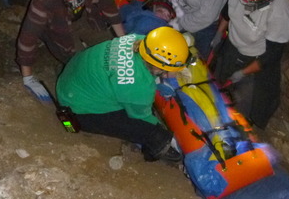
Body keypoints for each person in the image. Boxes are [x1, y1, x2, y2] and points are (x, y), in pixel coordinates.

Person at [56, 26, 191, 161]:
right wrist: (161, 131)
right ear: (160, 67)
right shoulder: (139, 84)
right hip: (77, 109)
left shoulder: (139, 39)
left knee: (135, 103)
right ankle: (156, 147)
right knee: (153, 133)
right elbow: (141, 116)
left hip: (71, 79)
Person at [213, 0, 289, 129]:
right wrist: (219, 32)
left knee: (250, 104)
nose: (247, 2)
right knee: (218, 81)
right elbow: (229, 9)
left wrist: (244, 72)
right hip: (234, 44)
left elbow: (272, 53)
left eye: (253, 0)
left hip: (257, 56)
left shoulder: (279, 10)